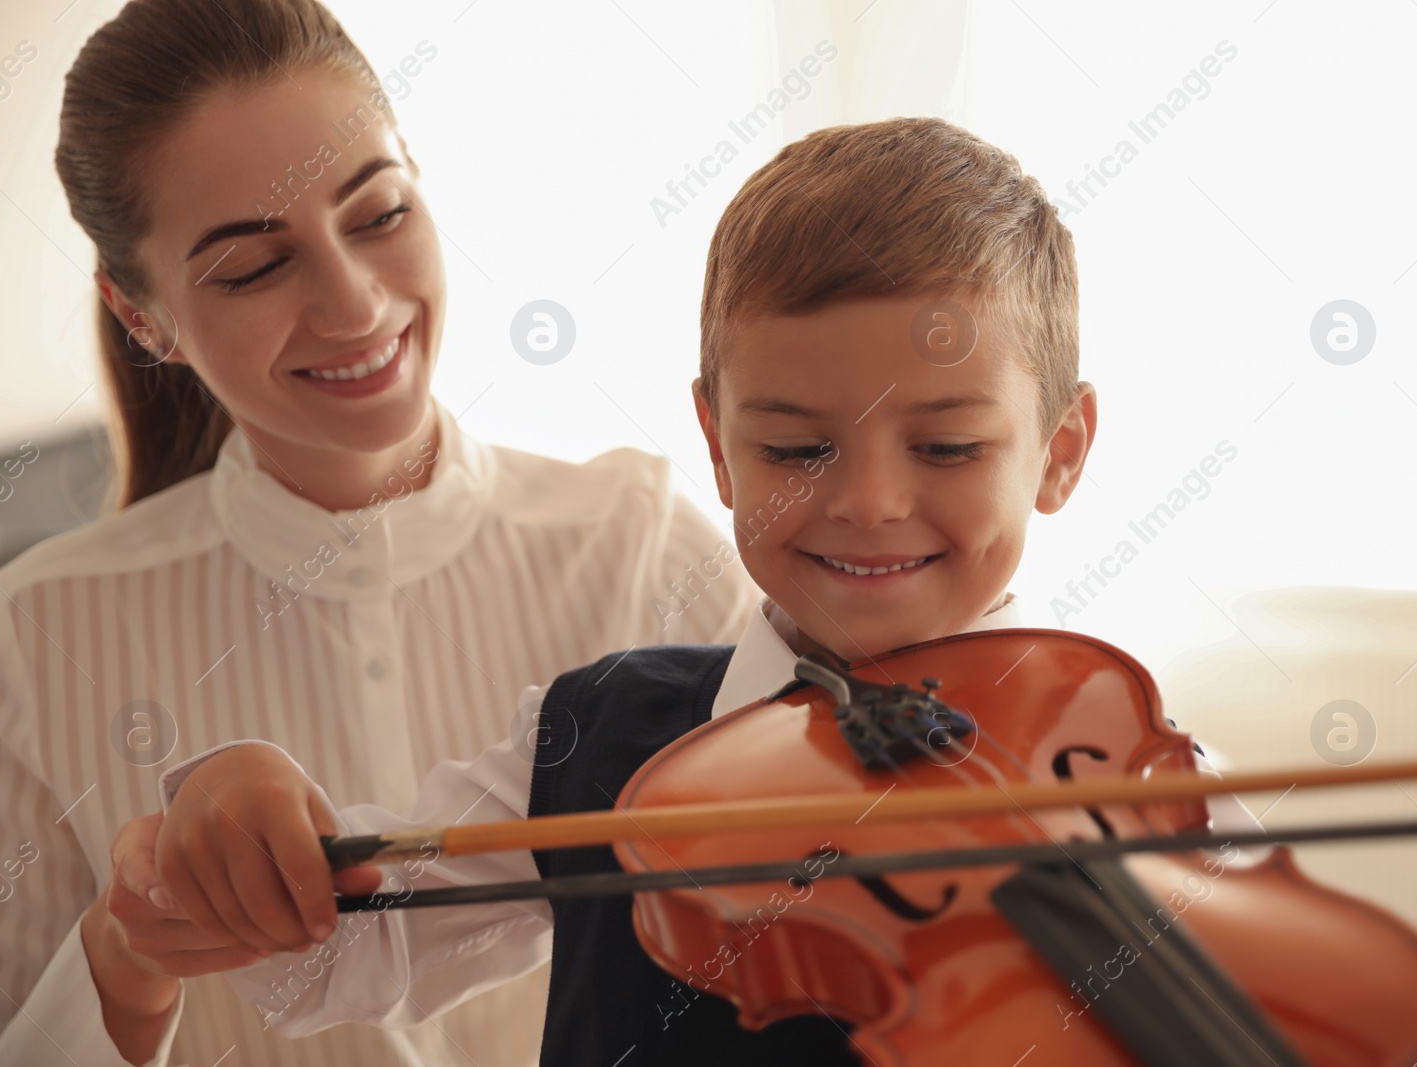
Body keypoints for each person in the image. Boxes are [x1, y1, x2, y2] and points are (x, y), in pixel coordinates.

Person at [125, 116, 1262, 1064]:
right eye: (797, 451)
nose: (867, 503)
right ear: (717, 446)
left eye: (949, 449)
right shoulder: (594, 739)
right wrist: (239, 803)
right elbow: (336, 954)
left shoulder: (1147, 786)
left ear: (1059, 451)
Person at [0, 1, 758, 1065]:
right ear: (142, 315)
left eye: (376, 213)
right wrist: (123, 956)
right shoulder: (45, 626)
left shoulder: (644, 541)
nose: (355, 303)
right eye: (251, 267)